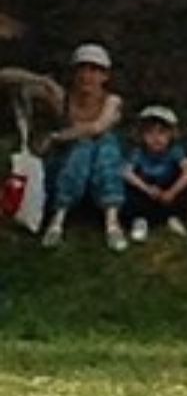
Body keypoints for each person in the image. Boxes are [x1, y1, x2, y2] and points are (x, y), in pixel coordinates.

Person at [41, 44, 129, 251]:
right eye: (82, 68)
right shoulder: (63, 98)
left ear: (105, 76)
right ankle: (57, 220)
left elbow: (98, 127)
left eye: (94, 69)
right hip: (66, 163)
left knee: (106, 146)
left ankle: (112, 222)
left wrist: (57, 136)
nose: (87, 76)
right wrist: (40, 80)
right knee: (82, 148)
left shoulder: (112, 101)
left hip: (100, 164)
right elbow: (6, 76)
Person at [121, 105, 187, 241]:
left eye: (162, 132)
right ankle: (139, 220)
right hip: (146, 190)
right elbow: (125, 171)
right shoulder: (138, 153)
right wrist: (146, 189)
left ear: (171, 134)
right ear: (142, 135)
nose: (156, 138)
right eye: (150, 133)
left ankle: (173, 216)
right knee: (128, 187)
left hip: (168, 190)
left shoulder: (175, 152)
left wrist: (172, 192)